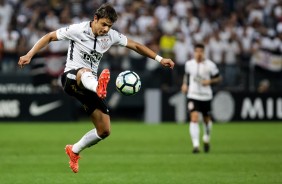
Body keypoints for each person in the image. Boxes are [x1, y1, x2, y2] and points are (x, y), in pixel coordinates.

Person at [18, 3, 174, 173]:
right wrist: (29, 54)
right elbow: (49, 36)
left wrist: (160, 59)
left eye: (110, 26)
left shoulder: (111, 36)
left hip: (89, 87)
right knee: (85, 71)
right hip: (71, 78)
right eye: (104, 24)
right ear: (95, 19)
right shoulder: (78, 30)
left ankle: (74, 150)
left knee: (105, 130)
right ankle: (97, 85)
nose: (106, 29)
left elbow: (135, 45)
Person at [181, 43, 221, 153]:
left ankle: (206, 138)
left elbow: (218, 78)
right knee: (194, 117)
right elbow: (186, 75)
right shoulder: (189, 64)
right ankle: (196, 145)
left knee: (206, 119)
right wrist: (184, 84)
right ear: (194, 52)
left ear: (204, 52)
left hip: (206, 96)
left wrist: (210, 81)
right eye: (197, 51)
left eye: (201, 51)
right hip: (193, 95)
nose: (199, 53)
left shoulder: (210, 65)